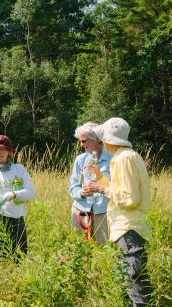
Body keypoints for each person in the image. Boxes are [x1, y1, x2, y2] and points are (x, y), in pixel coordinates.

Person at [84, 118, 153, 307]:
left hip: (129, 227)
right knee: (132, 278)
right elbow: (121, 190)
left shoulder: (124, 158)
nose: (102, 142)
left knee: (134, 279)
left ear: (108, 139)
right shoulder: (126, 156)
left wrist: (101, 189)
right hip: (127, 227)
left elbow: (130, 198)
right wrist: (99, 178)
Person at [0, 135, 35, 260]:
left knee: (19, 260)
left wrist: (14, 194)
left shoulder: (19, 169)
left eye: (3, 149)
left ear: (9, 151)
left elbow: (31, 193)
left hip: (18, 220)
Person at [68, 122, 112, 245]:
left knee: (103, 248)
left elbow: (115, 188)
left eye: (84, 141)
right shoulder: (80, 160)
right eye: (80, 141)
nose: (81, 144)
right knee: (80, 249)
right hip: (81, 210)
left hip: (103, 211)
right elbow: (73, 187)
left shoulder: (112, 158)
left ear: (96, 139)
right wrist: (81, 193)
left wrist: (100, 184)